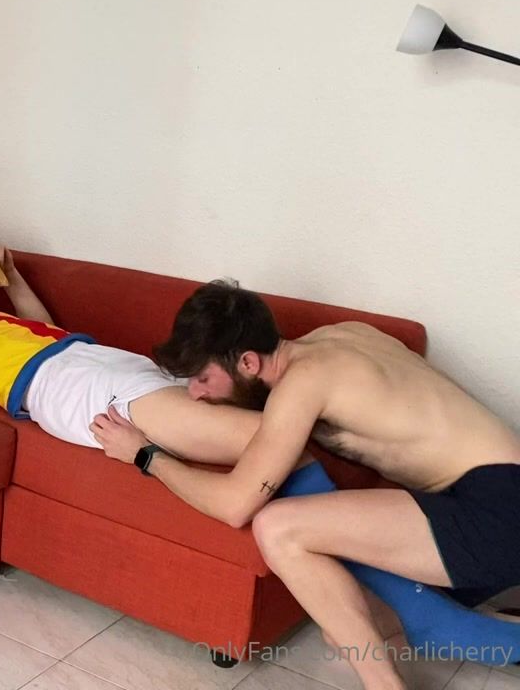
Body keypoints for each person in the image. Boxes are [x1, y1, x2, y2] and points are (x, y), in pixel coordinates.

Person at [91, 279, 520, 690]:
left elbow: (235, 505)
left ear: (248, 363)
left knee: (278, 527)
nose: (195, 395)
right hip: (490, 496)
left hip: (496, 513)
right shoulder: (344, 334)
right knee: (348, 627)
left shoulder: (302, 383)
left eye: (203, 378)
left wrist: (146, 455)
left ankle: (389, 681)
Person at [0, 185, 267, 469]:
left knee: (267, 398)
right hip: (65, 388)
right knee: (264, 439)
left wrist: (13, 279)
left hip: (101, 359)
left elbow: (44, 332)